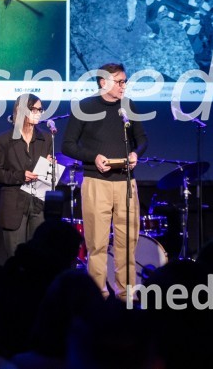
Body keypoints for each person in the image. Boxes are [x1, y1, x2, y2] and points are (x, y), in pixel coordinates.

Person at [62, 62, 148, 300]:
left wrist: (135, 154)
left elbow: (142, 139)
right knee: (97, 243)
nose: (123, 86)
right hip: (96, 182)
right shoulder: (85, 106)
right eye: (119, 81)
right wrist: (94, 157)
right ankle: (96, 297)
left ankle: (126, 297)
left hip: (126, 183)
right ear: (103, 82)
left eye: (125, 82)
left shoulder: (127, 107)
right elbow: (67, 145)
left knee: (127, 242)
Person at [0, 94, 54, 258]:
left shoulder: (45, 139)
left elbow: (48, 174)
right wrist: (20, 176)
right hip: (14, 205)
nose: (39, 113)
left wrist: (50, 166)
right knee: (16, 257)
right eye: (34, 109)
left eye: (40, 109)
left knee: (38, 256)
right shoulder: (4, 140)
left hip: (38, 204)